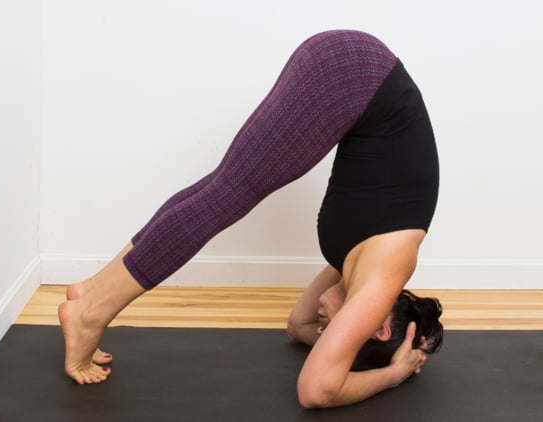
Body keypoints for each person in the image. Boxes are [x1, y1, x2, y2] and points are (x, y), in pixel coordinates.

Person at [58, 29, 443, 408]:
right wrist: (393, 374)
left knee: (220, 188)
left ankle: (91, 291)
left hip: (351, 69)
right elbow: (316, 391)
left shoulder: (356, 264)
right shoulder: (383, 274)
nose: (327, 329)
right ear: (379, 326)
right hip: (353, 73)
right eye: (340, 332)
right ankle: (90, 313)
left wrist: (336, 343)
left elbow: (299, 326)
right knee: (225, 196)